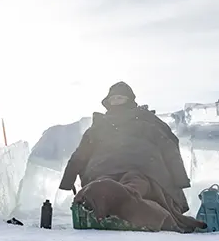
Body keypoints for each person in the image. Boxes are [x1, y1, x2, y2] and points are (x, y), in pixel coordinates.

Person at [59, 81, 204, 232]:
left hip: (141, 167)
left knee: (135, 182)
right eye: (113, 99)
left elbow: (168, 145)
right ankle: (115, 196)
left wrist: (179, 177)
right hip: (102, 169)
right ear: (107, 102)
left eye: (120, 98)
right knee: (102, 182)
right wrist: (68, 180)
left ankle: (123, 196)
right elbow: (81, 153)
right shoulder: (98, 127)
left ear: (129, 100)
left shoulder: (146, 120)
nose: (116, 102)